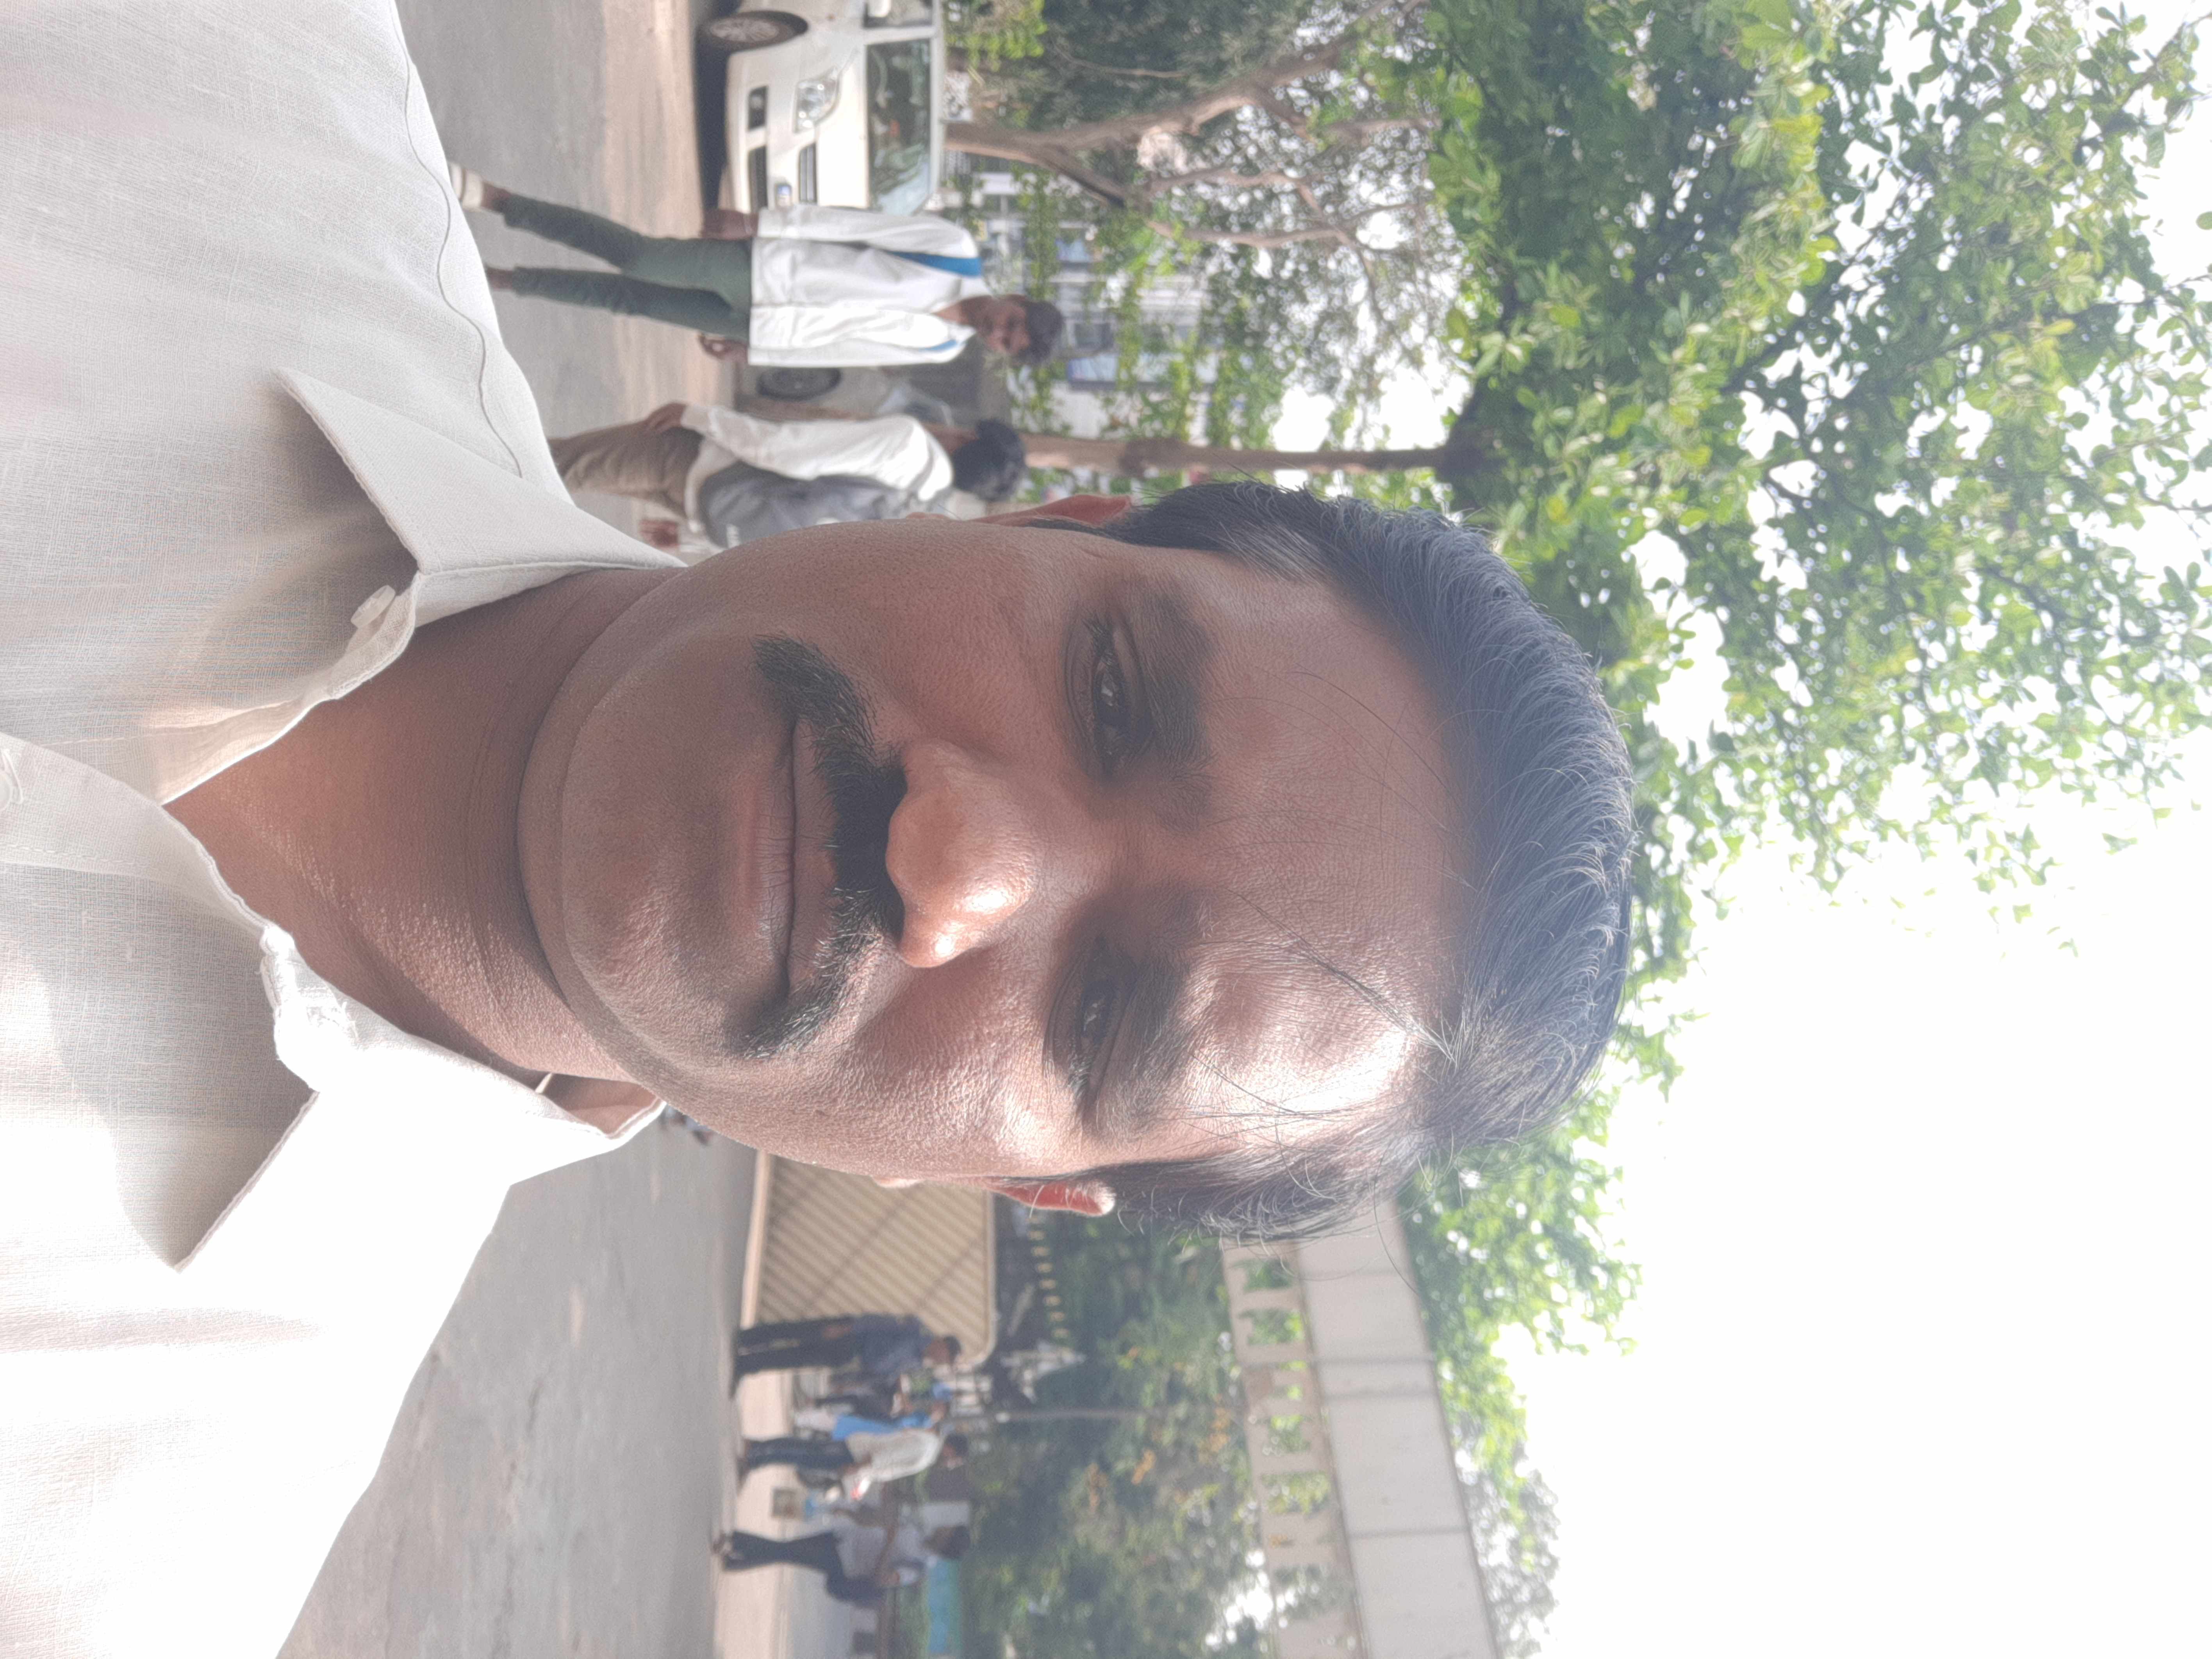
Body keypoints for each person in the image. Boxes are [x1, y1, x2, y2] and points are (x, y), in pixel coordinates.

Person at [4, 3, 1634, 1651]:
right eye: (1108, 692)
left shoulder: (120, 1552)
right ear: (1049, 522)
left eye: (1099, 1012)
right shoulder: (227, 76)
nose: (950, 854)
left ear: (1021, 1179)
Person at [452, 168, 1063, 367]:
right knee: (641, 258)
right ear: (1017, 299)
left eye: (1007, 344)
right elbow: (853, 226)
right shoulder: (953, 249)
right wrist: (760, 223)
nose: (998, 333)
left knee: (632, 300)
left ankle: (504, 280)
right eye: (1012, 323)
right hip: (766, 268)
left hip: (767, 328)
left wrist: (761, 355)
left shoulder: (942, 349)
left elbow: (846, 352)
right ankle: (500, 201)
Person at [550, 401, 1028, 556]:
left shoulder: (908, 444)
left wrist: (699, 416)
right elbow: (809, 536)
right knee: (565, 474)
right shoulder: (921, 515)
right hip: (717, 509)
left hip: (699, 462)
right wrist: (698, 536)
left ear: (968, 436)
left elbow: (789, 451)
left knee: (559, 463)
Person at [714, 1513, 969, 1606]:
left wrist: (889, 1544)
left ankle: (734, 1544)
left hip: (845, 1562)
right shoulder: (920, 1532)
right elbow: (882, 1528)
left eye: (949, 1531)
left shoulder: (919, 1567)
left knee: (787, 1552)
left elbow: (881, 1580)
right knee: (787, 1550)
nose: (945, 1527)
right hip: (843, 1537)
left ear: (947, 1544)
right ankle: (734, 1558)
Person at [731, 1315, 957, 1386]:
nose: (940, 1362)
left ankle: (748, 1365)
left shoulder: (917, 1363)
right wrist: (846, 1328)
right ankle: (749, 1338)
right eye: (945, 1358)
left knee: (796, 1359)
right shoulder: (916, 1330)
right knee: (796, 1333)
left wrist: (853, 1381)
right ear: (942, 1345)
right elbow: (881, 1323)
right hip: (851, 1337)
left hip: (851, 1358)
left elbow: (886, 1373)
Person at [741, 1429, 967, 1491]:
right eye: (955, 1460)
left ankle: (757, 1453)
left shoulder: (929, 1447)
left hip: (859, 1456)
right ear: (951, 1450)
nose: (951, 1465)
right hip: (855, 1455)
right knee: (804, 1453)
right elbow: (889, 1454)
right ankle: (756, 1454)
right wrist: (857, 1467)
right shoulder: (926, 1449)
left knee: (805, 1454)